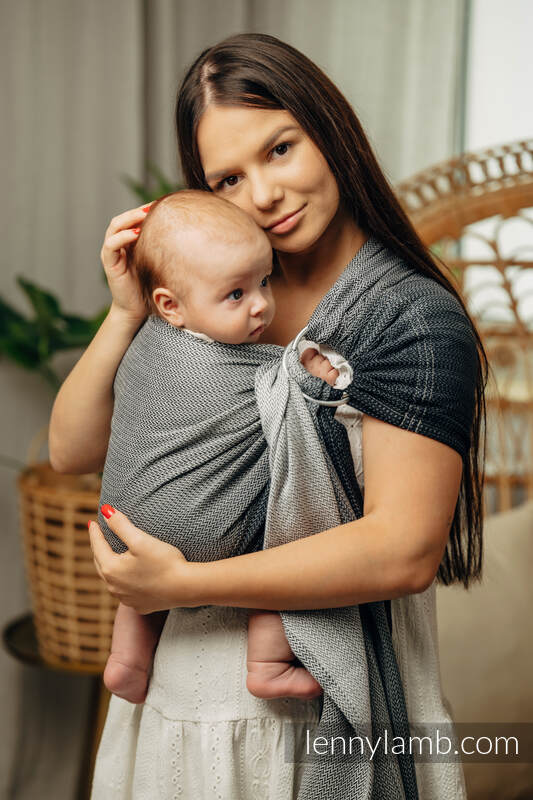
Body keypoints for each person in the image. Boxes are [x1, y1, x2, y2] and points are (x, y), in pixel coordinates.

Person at [49, 33, 487, 799]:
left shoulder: (408, 320)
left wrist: (182, 584)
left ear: (329, 129)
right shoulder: (213, 295)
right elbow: (74, 451)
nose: (261, 195)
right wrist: (124, 316)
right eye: (226, 178)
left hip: (318, 703)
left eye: (279, 150)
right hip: (176, 699)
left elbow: (404, 550)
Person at [103, 188, 342, 705]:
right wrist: (318, 374)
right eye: (236, 295)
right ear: (171, 305)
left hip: (124, 529)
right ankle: (268, 663)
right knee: (287, 521)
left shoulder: (144, 341)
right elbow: (300, 393)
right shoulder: (252, 366)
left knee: (150, 533)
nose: (260, 305)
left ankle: (126, 660)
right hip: (209, 535)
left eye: (263, 280)